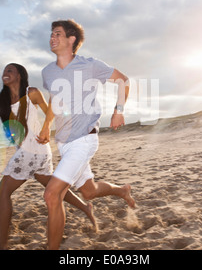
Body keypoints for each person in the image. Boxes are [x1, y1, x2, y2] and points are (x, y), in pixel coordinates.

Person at [0, 63, 96, 250]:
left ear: (20, 75)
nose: (5, 73)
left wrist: (50, 128)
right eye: (4, 71)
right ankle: (86, 208)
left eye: (10, 70)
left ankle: (2, 244)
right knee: (53, 186)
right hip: (32, 151)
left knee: (2, 192)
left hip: (33, 148)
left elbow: (50, 114)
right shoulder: (2, 101)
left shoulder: (32, 93)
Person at [37, 20, 136, 250]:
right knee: (89, 192)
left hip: (85, 139)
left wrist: (118, 111)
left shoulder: (90, 66)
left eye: (58, 34)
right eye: (51, 34)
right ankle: (122, 191)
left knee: (52, 195)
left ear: (72, 40)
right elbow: (55, 99)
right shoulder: (48, 72)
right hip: (64, 143)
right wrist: (45, 126)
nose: (52, 37)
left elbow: (124, 80)